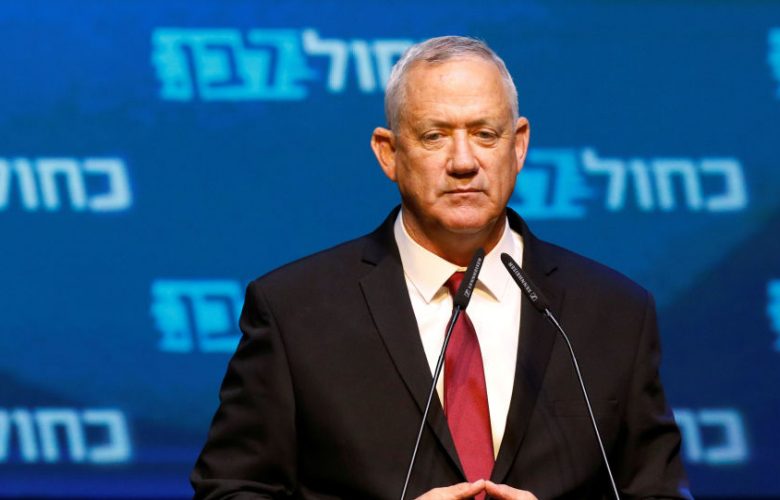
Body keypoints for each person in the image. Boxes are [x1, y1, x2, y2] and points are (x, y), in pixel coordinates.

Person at [191, 36, 691, 499]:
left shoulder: (613, 313)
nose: (463, 162)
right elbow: (231, 490)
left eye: (485, 134)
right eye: (434, 136)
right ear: (389, 153)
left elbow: (659, 492)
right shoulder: (295, 312)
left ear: (518, 145)